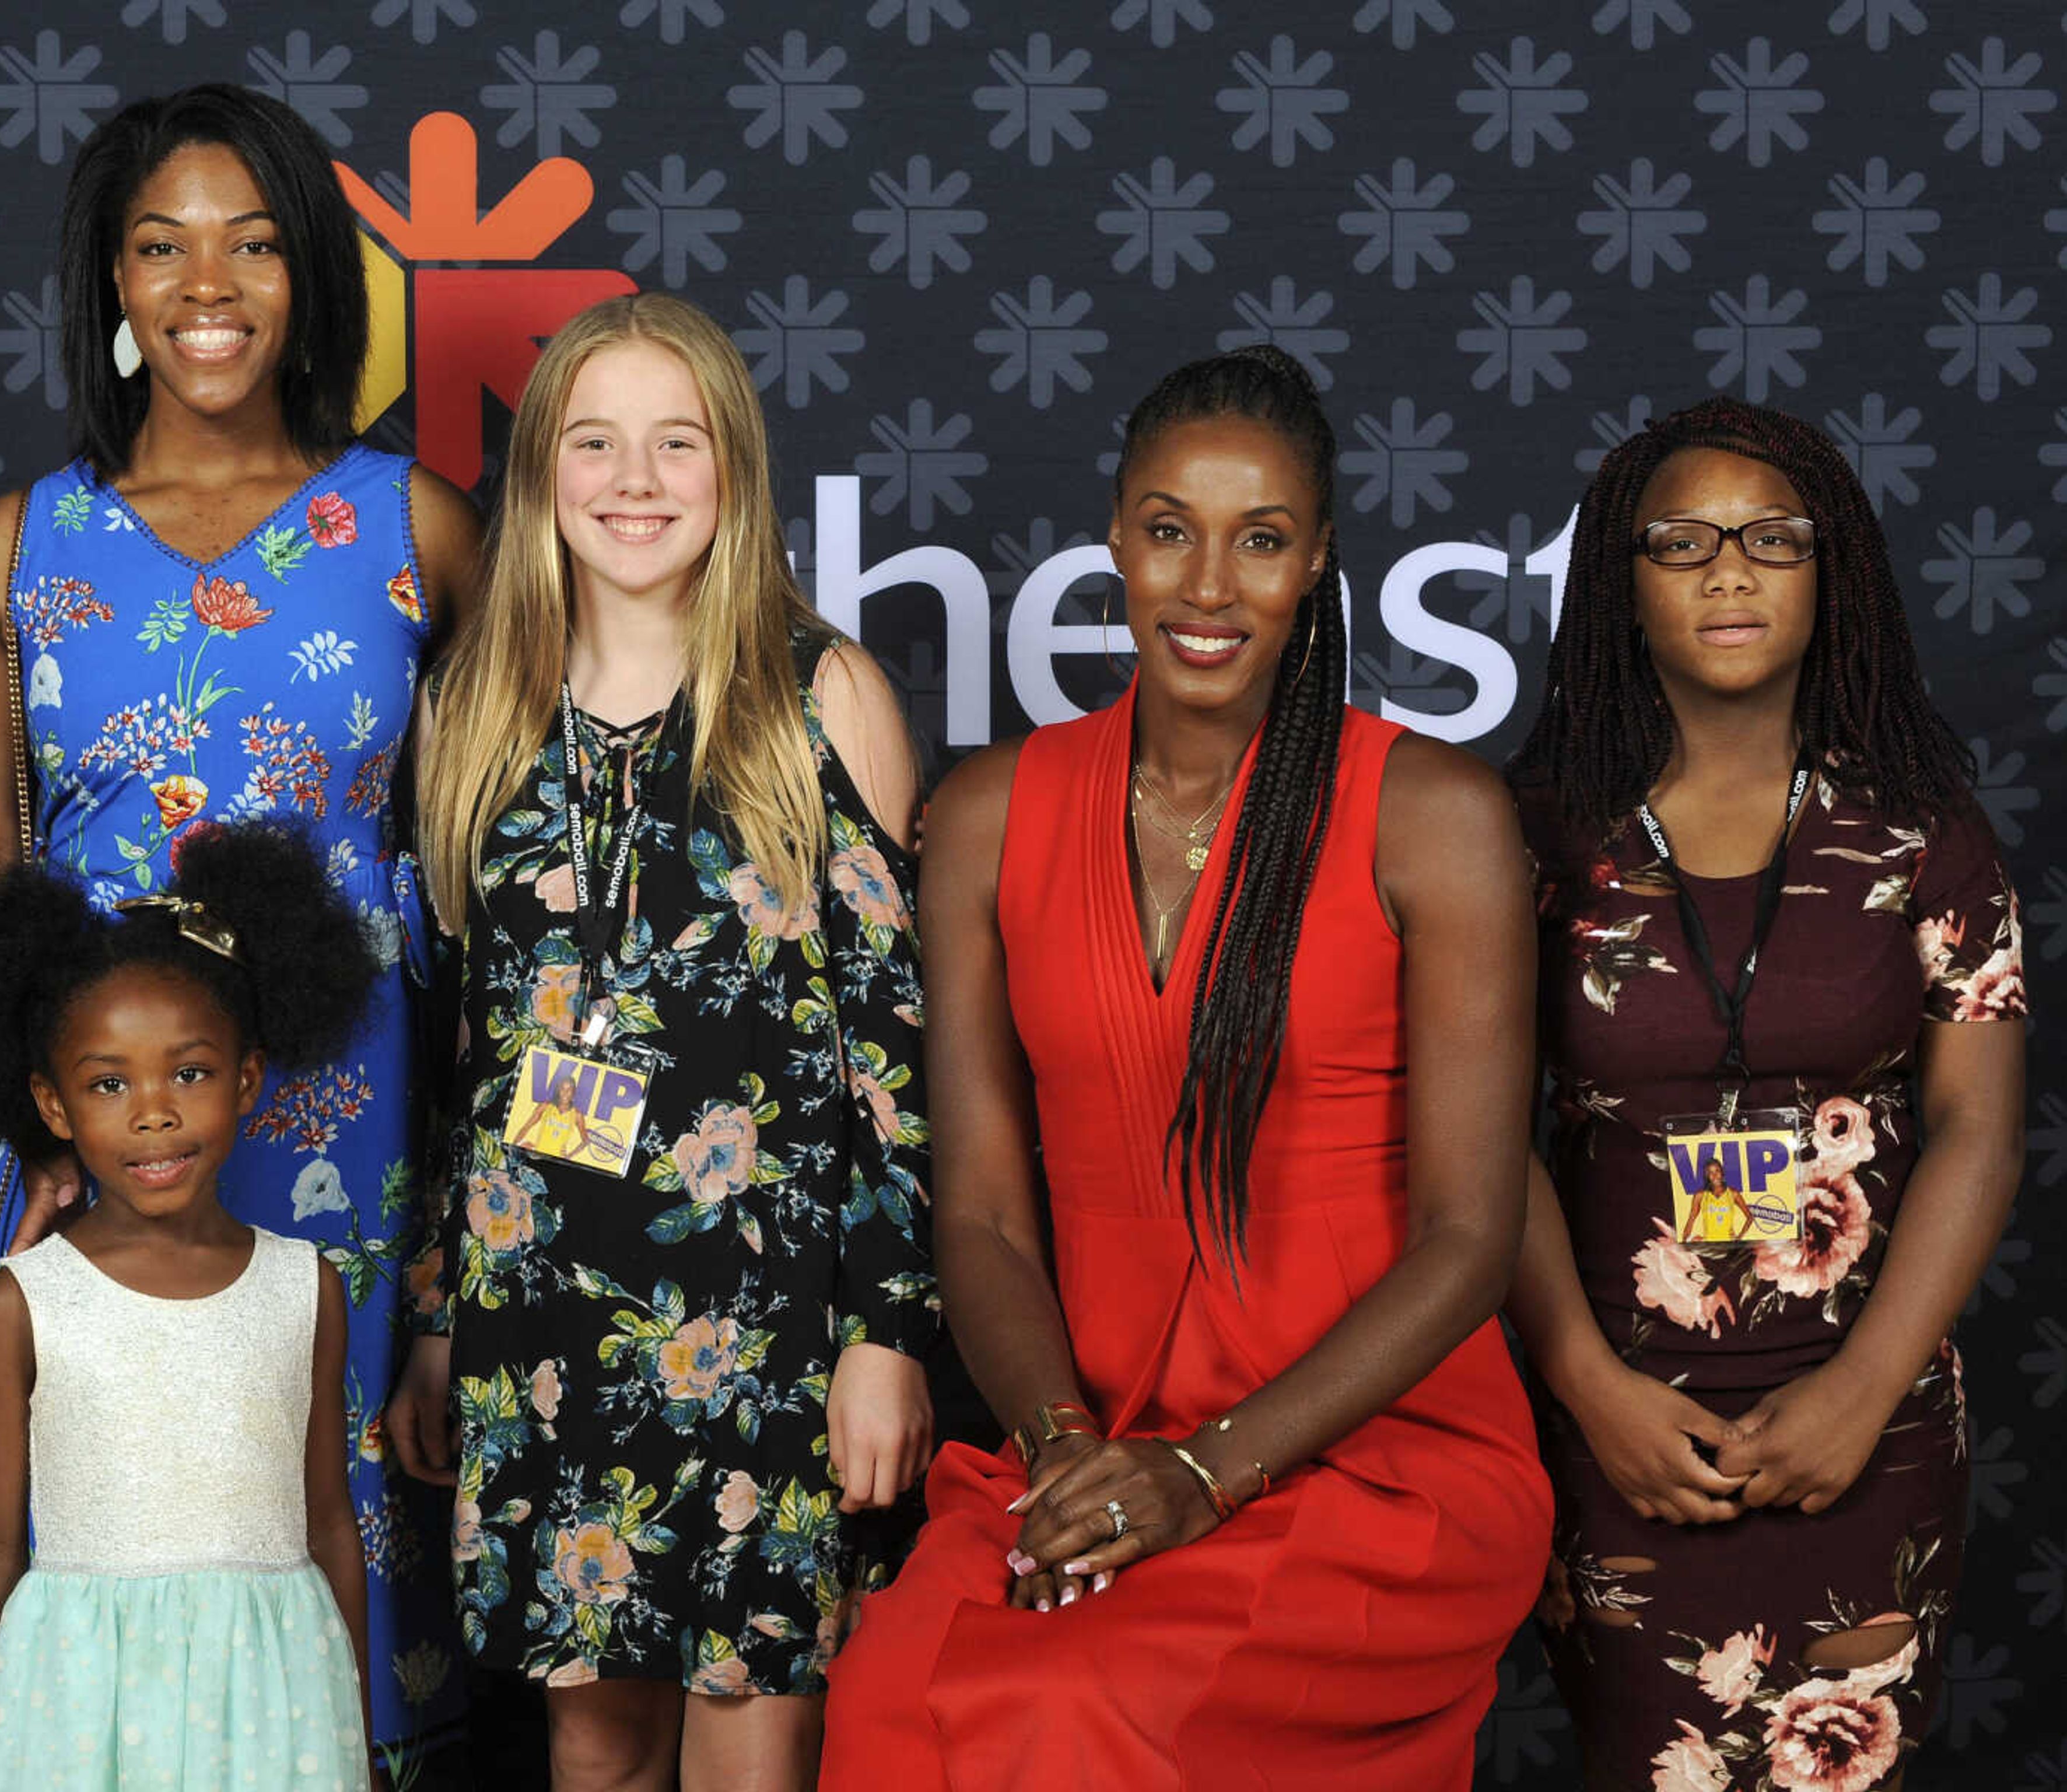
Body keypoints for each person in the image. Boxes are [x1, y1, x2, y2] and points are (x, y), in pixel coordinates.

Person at [818, 346, 1551, 1788]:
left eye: (1261, 541)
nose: (1209, 586)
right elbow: (977, 1213)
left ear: (1319, 561)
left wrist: (1206, 1473)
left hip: (1372, 1460)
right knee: (894, 1705)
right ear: (1116, 542)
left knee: (1074, 1715)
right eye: (1171, 531)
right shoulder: (986, 817)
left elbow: (1474, 1239)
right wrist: (1069, 1454)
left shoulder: (1436, 815)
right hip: (1089, 1442)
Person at [0, 85, 481, 1761]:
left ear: (308, 275)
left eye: (249, 243)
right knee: (116, 1539)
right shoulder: (9, 556)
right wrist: (53, 1148)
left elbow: (489, 880)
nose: (206, 283)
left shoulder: (414, 529)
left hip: (352, 1131)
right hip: (111, 1136)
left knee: (330, 1545)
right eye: (160, 246)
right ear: (111, 280)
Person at [385, 292, 936, 1791]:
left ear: (733, 469)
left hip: (765, 1326)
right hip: (544, 1320)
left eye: (675, 442)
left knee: (753, 1738)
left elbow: (891, 1054)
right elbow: (470, 1056)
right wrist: (439, 1309)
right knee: (595, 1745)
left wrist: (887, 1333)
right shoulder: (475, 709)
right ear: (543, 473)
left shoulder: (822, 697)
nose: (636, 480)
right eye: (596, 441)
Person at [1507, 398, 2026, 1790]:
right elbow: (1480, 1146)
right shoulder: (1534, 833)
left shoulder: (1925, 831)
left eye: (1770, 539)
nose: (1728, 570)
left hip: (1873, 1428)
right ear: (1620, 581)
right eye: (1680, 543)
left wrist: (1865, 1389)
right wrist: (1587, 1387)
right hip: (1617, 1429)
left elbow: (1981, 1126)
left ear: (1830, 570)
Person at [0, 823, 380, 1789]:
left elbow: (331, 1526)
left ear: (246, 1080)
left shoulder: (305, 1286)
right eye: (109, 1084)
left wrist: (351, 1731)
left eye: (189, 1073)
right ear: (52, 1105)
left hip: (274, 1707)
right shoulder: (21, 1304)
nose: (153, 1111)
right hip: (77, 1715)